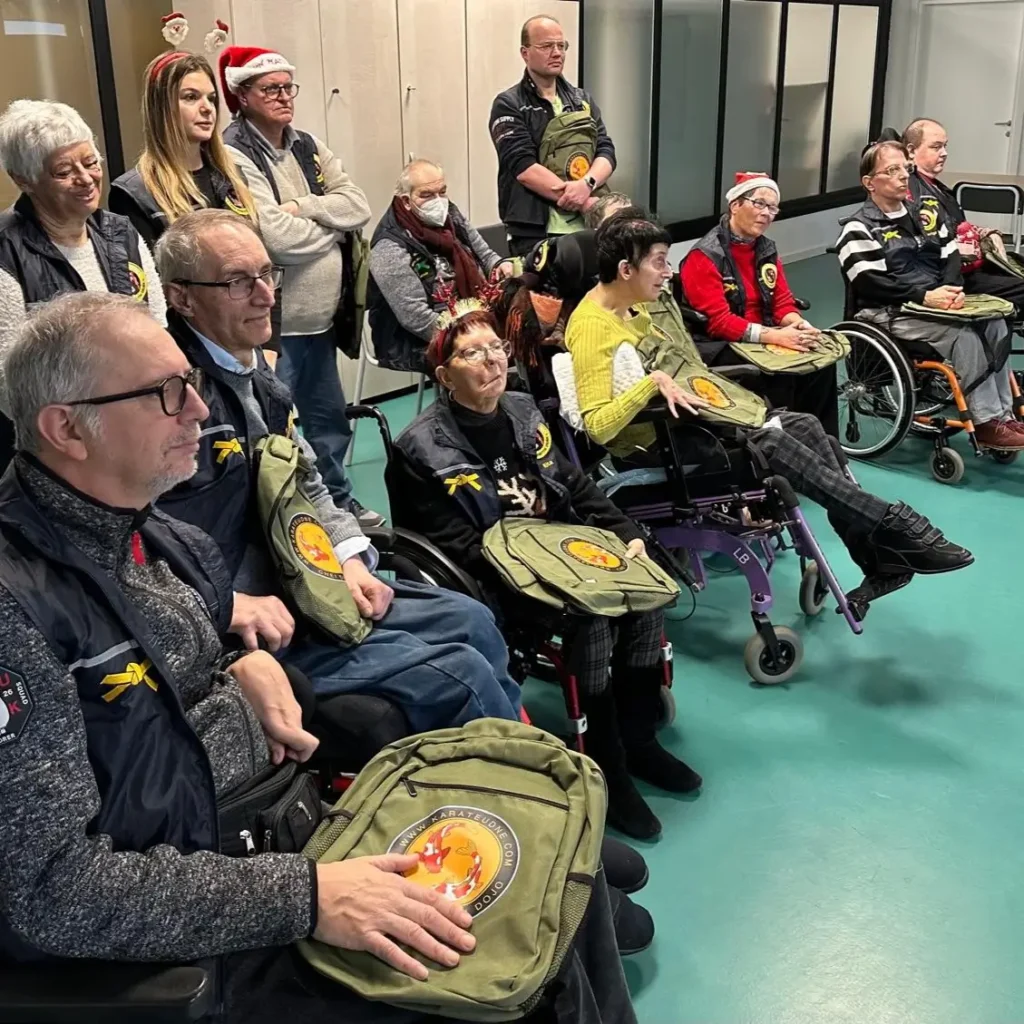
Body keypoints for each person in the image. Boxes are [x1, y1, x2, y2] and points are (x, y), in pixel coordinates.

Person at [0, 289, 638, 1024]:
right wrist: (306, 895)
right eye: (167, 393)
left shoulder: (149, 536)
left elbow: (167, 681)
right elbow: (51, 893)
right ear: (67, 429)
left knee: (564, 869)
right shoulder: (17, 614)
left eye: (195, 385)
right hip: (204, 933)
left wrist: (241, 667)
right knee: (539, 969)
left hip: (271, 823)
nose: (201, 413)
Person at [153, 209, 523, 735]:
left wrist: (348, 556)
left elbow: (307, 483)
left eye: (267, 273)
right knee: (459, 677)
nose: (266, 295)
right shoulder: (168, 402)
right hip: (251, 623)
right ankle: (507, 798)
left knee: (473, 620)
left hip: (311, 581)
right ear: (182, 296)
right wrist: (226, 604)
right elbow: (134, 548)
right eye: (238, 281)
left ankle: (527, 778)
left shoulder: (261, 378)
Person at [388, 301, 700, 841]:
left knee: (647, 599)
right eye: (471, 354)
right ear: (444, 375)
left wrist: (627, 533)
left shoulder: (523, 410)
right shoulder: (419, 448)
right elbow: (449, 544)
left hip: (568, 552)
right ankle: (605, 761)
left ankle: (639, 739)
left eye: (496, 349)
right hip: (498, 575)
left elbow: (574, 486)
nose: (491, 362)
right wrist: (550, 573)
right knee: (594, 621)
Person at [566, 210, 974, 605]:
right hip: (658, 444)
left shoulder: (630, 307)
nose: (668, 272)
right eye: (658, 263)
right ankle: (894, 526)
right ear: (625, 270)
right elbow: (598, 425)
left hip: (693, 422)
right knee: (774, 446)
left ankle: (877, 558)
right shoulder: (591, 326)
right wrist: (651, 385)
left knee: (807, 425)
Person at [218, 44, 384, 527]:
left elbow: (358, 204)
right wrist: (329, 220)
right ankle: (291, 516)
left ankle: (339, 502)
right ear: (243, 95)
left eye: (288, 87)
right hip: (275, 324)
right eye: (271, 89)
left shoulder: (307, 145)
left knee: (329, 421)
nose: (284, 96)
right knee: (277, 428)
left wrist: (305, 206)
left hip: (321, 321)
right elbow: (274, 238)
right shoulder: (234, 152)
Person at [0, 99, 166, 474]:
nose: (87, 178)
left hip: (138, 427)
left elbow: (158, 330)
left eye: (91, 162)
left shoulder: (121, 234)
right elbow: (9, 386)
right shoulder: (5, 253)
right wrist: (91, 433)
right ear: (23, 180)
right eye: (63, 171)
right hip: (61, 449)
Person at [837, 139, 1023, 451]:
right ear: (870, 183)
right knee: (965, 336)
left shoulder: (922, 215)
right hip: (889, 311)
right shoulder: (858, 228)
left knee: (996, 323)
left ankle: (1004, 415)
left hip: (931, 304)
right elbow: (871, 283)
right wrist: (925, 296)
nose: (902, 176)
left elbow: (950, 250)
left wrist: (948, 288)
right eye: (892, 170)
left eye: (905, 169)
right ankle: (987, 421)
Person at [680, 172, 839, 436]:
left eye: (773, 207)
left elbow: (782, 303)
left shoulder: (765, 249)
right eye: (759, 204)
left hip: (765, 334)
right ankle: (787, 442)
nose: (767, 213)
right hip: (719, 343)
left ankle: (825, 446)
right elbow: (719, 322)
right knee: (782, 373)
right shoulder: (704, 256)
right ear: (735, 205)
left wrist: (798, 324)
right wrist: (775, 336)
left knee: (821, 361)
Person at [368, 158, 515, 373]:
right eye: (427, 195)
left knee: (528, 332)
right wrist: (468, 334)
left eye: (442, 192)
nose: (438, 201)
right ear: (406, 201)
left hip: (471, 313)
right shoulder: (389, 246)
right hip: (413, 340)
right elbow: (415, 317)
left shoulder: (451, 214)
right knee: (478, 359)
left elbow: (485, 254)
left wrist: (499, 265)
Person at [489, 15, 616, 257]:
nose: (557, 53)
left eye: (561, 46)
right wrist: (582, 200)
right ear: (525, 53)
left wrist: (587, 185)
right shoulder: (508, 104)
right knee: (543, 295)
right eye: (547, 46)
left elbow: (606, 150)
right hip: (537, 232)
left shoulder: (582, 99)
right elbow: (523, 167)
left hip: (588, 225)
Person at [109, 49, 255, 248]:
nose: (207, 108)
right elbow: (149, 275)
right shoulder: (136, 193)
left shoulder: (231, 175)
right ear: (162, 107)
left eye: (211, 99)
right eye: (190, 97)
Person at [902, 117, 1024, 309]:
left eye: (945, 146)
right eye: (936, 147)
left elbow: (954, 224)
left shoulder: (936, 187)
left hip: (965, 269)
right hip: (946, 278)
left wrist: (986, 233)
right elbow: (926, 241)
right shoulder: (912, 192)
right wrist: (963, 246)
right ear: (910, 150)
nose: (944, 153)